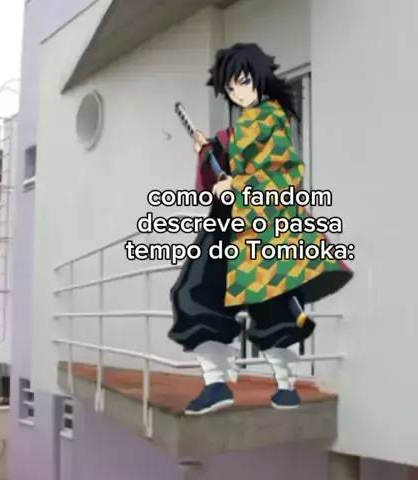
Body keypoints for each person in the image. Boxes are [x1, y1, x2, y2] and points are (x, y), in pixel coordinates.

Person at [168, 43, 353, 415]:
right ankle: (216, 383)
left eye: (243, 82)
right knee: (195, 291)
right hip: (227, 224)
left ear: (259, 79)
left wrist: (235, 185)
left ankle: (285, 387)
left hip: (263, 226)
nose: (237, 91)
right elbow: (218, 176)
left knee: (271, 304)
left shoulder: (271, 120)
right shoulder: (238, 131)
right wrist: (208, 153)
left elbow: (282, 176)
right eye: (231, 87)